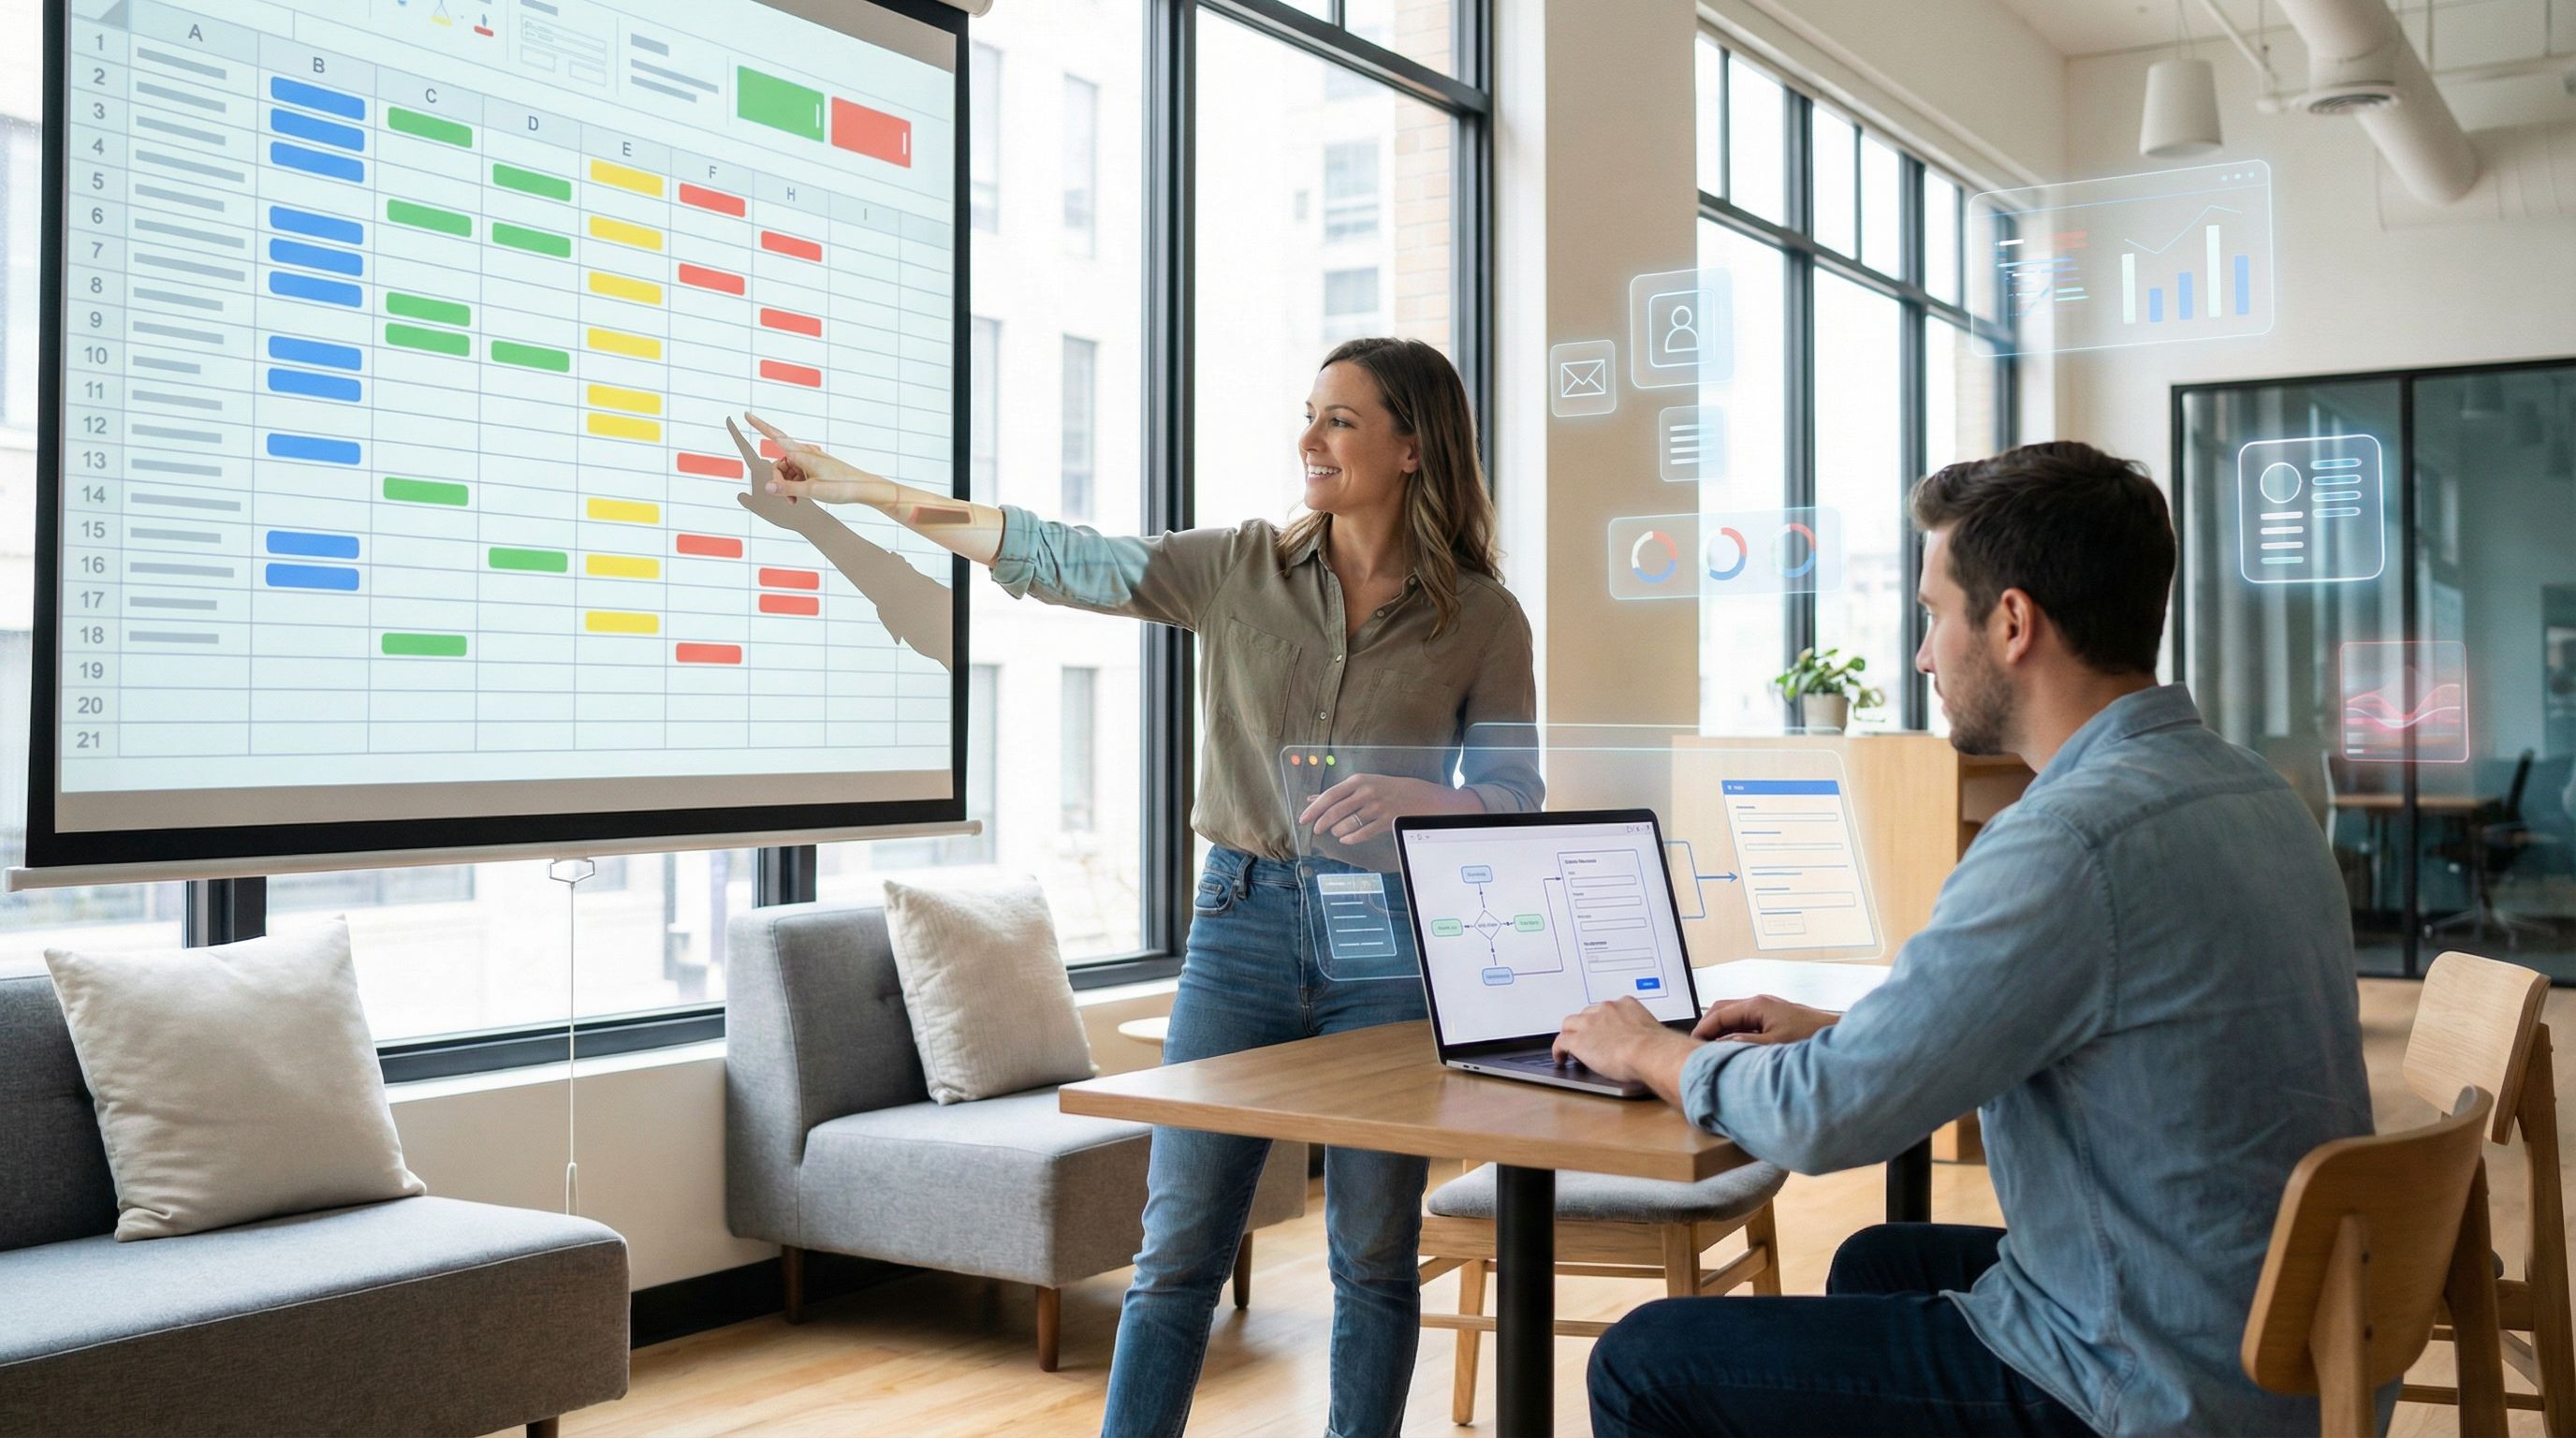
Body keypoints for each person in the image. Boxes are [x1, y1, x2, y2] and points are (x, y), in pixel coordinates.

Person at [739, 336, 1541, 1438]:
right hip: (1240, 926)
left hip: (1387, 947)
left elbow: (1514, 795)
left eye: (1340, 420)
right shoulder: (1240, 566)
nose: (1309, 439)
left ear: (1413, 448)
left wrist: (1423, 802)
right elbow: (1057, 555)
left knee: (1372, 1253)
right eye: (1309, 413)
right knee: (1177, 1251)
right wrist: (865, 490)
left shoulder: (1482, 618)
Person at [1552, 441, 2375, 1438]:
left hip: (2148, 1385)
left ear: (2014, 623)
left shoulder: (2067, 839)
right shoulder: (2252, 791)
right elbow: (2120, 1032)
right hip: (2283, 1339)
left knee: (1643, 1363)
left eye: (1933, 614)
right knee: (1878, 1261)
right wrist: (1846, 1033)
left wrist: (1649, 1050)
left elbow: (1827, 1120)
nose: (1923, 655)